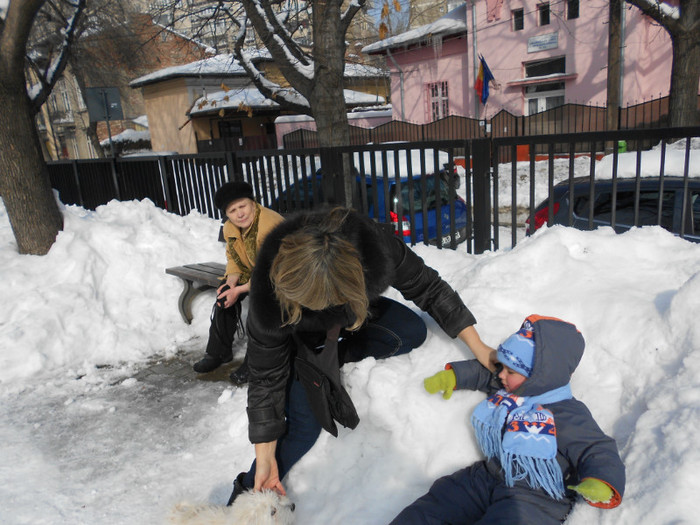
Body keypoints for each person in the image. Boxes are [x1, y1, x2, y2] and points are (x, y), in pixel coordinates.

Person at [226, 207, 495, 505]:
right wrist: (264, 456)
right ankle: (241, 501)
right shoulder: (270, 294)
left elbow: (428, 287)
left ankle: (331, 348)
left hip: (350, 313)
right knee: (304, 427)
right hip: (298, 333)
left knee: (410, 331)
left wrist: (479, 346)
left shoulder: (373, 245)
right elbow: (265, 377)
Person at [390, 315, 625, 525]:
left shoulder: (567, 412)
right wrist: (454, 377)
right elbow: (485, 374)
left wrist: (601, 480)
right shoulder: (512, 390)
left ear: (540, 376)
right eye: (502, 367)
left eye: (510, 372)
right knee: (441, 501)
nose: (502, 375)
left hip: (536, 495)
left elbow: (596, 448)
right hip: (490, 474)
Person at [192, 181, 284, 386]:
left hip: (282, 277)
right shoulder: (231, 228)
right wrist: (232, 282)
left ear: (252, 203)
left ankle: (255, 362)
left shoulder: (269, 224)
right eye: (232, 210)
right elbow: (233, 258)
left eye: (242, 206)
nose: (239, 214)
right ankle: (217, 352)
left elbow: (271, 271)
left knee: (260, 302)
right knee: (225, 293)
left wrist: (241, 289)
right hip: (254, 272)